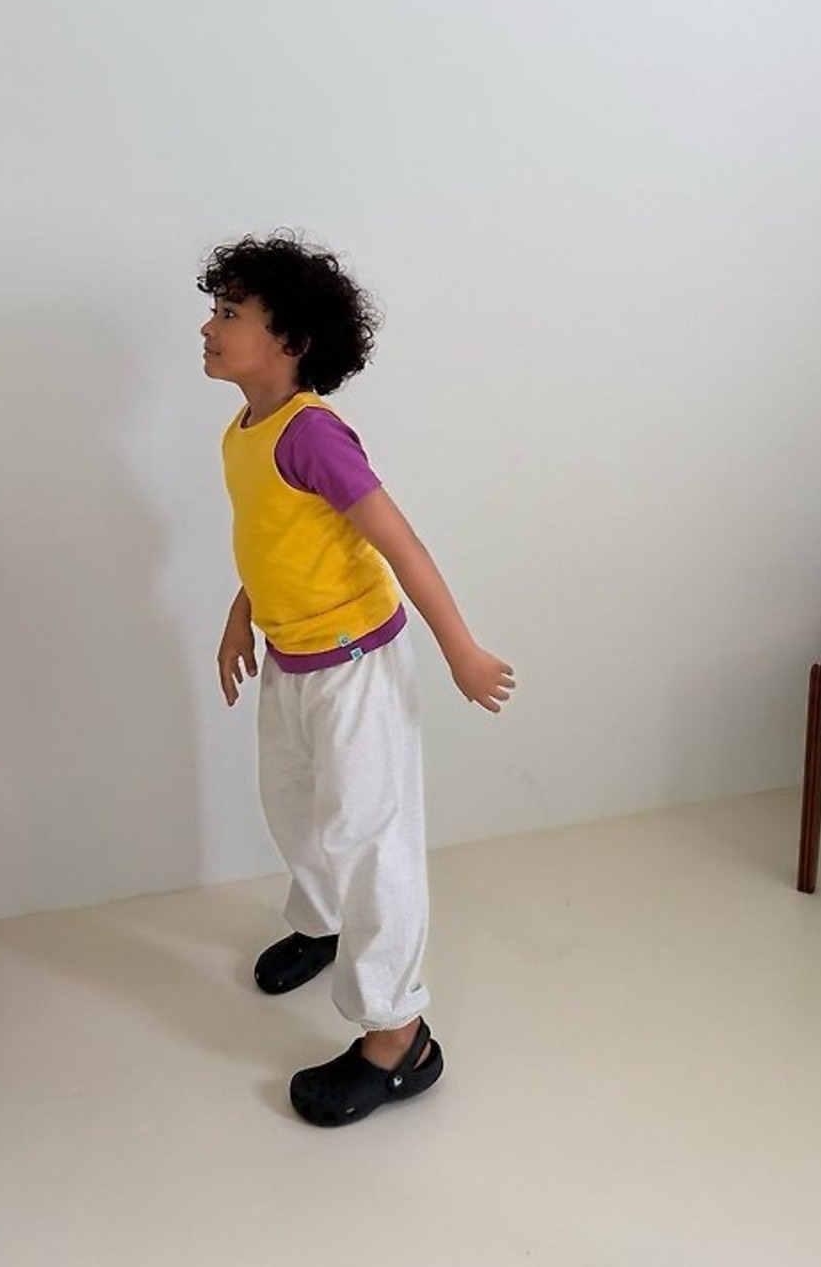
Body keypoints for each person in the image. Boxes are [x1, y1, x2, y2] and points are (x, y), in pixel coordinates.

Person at [199, 231, 514, 1127]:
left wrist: (459, 648)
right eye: (215, 308)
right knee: (293, 808)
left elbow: (397, 541)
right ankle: (323, 925)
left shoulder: (314, 436)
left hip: (354, 669)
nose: (209, 327)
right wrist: (240, 614)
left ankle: (397, 1034)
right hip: (291, 660)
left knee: (370, 840)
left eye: (231, 312)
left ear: (291, 341)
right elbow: (275, 542)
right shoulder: (244, 431)